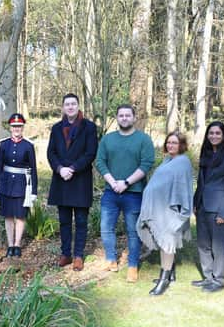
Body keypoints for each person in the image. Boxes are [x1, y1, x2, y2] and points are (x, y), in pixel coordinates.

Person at [95, 104, 155, 282]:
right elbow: (100, 161)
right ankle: (111, 260)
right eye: (121, 115)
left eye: (128, 115)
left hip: (134, 193)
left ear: (134, 118)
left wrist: (126, 182)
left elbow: (146, 163)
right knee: (106, 229)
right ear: (117, 118)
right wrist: (113, 182)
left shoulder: (143, 140)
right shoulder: (108, 139)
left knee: (133, 231)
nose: (124, 118)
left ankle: (132, 266)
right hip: (111, 192)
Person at [137, 131, 194, 296]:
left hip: (170, 209)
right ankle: (171, 274)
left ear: (181, 145)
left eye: (174, 143)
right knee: (165, 242)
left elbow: (183, 188)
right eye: (169, 142)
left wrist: (179, 213)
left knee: (167, 242)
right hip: (160, 208)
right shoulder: (168, 160)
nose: (170, 145)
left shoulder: (182, 162)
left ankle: (164, 280)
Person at [47, 93, 98, 271]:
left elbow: (90, 153)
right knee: (64, 220)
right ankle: (66, 254)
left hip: (80, 179)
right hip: (61, 179)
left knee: (81, 221)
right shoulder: (56, 128)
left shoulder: (89, 127)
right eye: (67, 104)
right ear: (63, 107)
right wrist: (60, 169)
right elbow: (51, 153)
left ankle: (78, 255)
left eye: (73, 104)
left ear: (78, 106)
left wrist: (73, 168)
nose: (70, 107)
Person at [192, 121, 224, 293]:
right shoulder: (205, 154)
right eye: (211, 133)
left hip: (218, 208)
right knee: (203, 244)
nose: (214, 136)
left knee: (218, 246)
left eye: (218, 133)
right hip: (203, 205)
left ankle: (218, 280)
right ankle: (208, 277)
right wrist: (196, 203)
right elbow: (200, 181)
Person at [0, 113, 38, 258]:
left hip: (22, 185)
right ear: (10, 127)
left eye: (19, 126)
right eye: (14, 126)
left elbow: (33, 169)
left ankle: (17, 245)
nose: (16, 129)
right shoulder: (4, 144)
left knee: (20, 216)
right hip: (6, 184)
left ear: (23, 127)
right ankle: (10, 245)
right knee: (8, 215)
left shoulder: (28, 146)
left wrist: (33, 191)